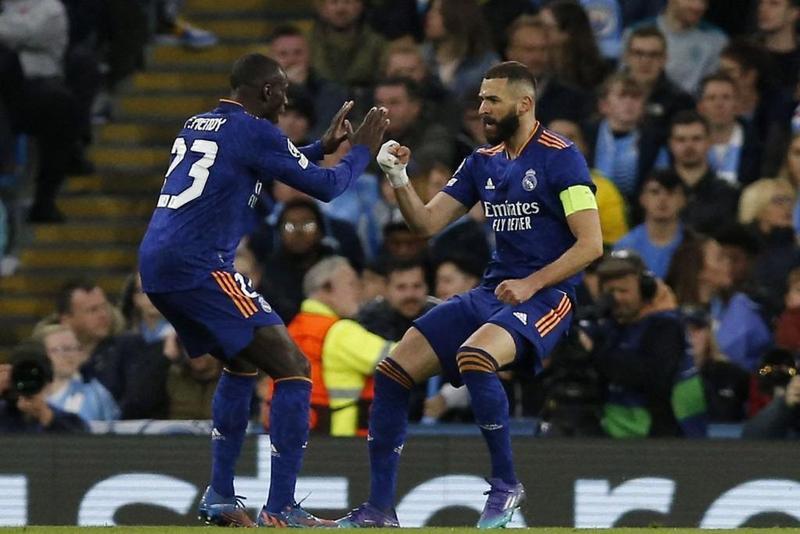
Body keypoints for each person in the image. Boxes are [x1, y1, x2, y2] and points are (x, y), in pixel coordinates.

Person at [337, 61, 603, 528]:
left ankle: (505, 484)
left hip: (547, 296)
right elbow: (425, 224)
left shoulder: (561, 157)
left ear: (524, 103)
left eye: (492, 99)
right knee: (393, 372)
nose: (482, 108)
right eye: (481, 99)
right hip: (493, 291)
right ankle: (378, 510)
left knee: (475, 356)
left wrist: (532, 283)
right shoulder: (482, 162)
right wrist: (398, 177)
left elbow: (591, 244)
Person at [137, 53, 387, 527]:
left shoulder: (199, 124)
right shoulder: (255, 131)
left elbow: (252, 162)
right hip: (198, 264)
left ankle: (221, 496)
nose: (287, 101)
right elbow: (327, 188)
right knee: (293, 367)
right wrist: (360, 152)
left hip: (157, 263)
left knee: (241, 362)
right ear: (268, 91)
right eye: (283, 92)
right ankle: (281, 508)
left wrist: (318, 147)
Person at [589, 251, 708, 438]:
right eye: (610, 292)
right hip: (623, 434)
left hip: (669, 434)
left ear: (645, 290)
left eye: (624, 291)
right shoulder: (611, 324)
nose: (617, 298)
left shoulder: (666, 325)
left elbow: (652, 377)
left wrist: (594, 351)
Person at [287, 256, 395, 436]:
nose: (359, 292)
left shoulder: (295, 329)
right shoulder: (340, 332)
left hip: (301, 438)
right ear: (327, 288)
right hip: (343, 442)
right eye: (351, 284)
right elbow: (400, 360)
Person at [614, 170, 688, 278]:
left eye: (671, 192)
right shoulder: (625, 246)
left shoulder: (695, 246)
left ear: (683, 200)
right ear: (642, 198)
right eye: (655, 192)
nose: (663, 199)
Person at [621, 25, 695, 132]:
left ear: (664, 59)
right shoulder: (606, 94)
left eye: (653, 55)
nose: (645, 61)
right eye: (638, 53)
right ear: (626, 57)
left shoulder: (681, 102)